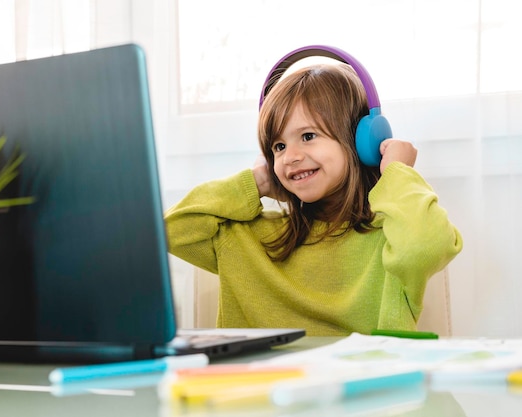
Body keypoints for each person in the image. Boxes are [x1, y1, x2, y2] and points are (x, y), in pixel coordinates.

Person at [164, 63, 463, 336]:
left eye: (307, 136)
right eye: (278, 146)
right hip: (262, 392)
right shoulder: (248, 237)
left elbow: (427, 246)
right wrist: (257, 182)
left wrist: (396, 173)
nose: (290, 157)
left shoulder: (392, 236)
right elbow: (168, 231)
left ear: (363, 142)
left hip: (363, 392)